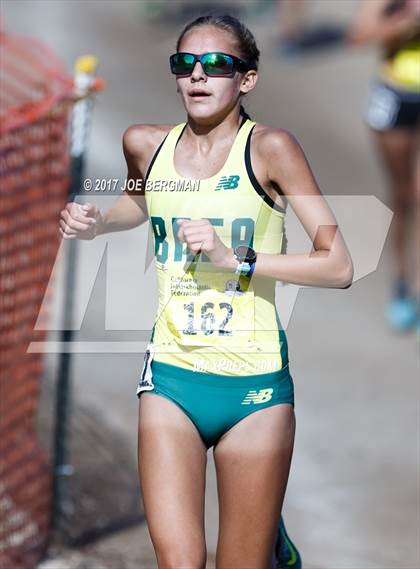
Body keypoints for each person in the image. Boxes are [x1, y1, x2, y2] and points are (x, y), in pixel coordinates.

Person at [59, 13, 353, 568]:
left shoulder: (271, 150)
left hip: (254, 390)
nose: (198, 75)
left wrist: (234, 258)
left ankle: (268, 545)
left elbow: (337, 265)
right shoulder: (145, 144)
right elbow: (144, 201)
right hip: (171, 378)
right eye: (185, 63)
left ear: (247, 80)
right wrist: (97, 220)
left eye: (217, 64)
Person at [346, 0, 420, 334]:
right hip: (397, 97)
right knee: (403, 196)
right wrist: (405, 24)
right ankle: (401, 282)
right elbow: (359, 35)